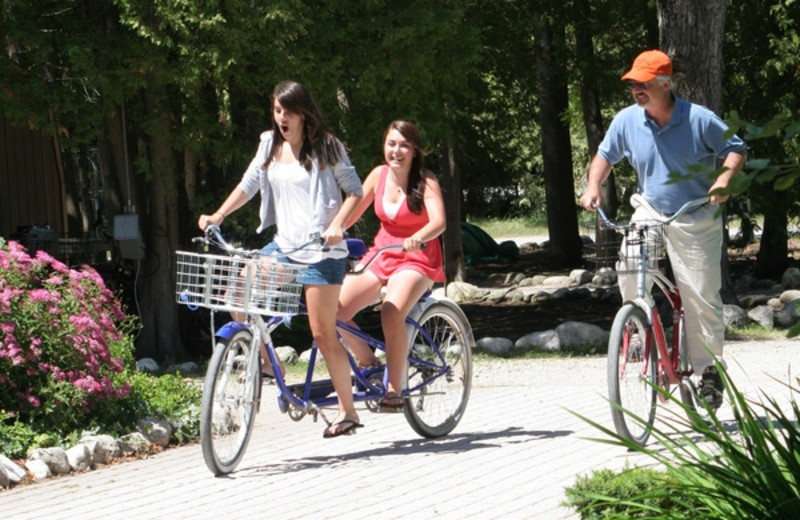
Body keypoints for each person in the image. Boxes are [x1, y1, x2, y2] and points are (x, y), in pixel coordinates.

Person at [579, 50, 746, 409]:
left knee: (701, 297)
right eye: (633, 84)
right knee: (628, 265)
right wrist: (593, 185)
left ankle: (708, 372)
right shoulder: (627, 120)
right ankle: (636, 324)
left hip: (696, 212)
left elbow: (734, 149)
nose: (637, 89)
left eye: (645, 83)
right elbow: (605, 156)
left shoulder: (699, 119)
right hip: (650, 209)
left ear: (666, 83)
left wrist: (724, 179)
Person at [197, 80, 363, 436]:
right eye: (277, 111)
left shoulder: (327, 146)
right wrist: (218, 215)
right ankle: (270, 365)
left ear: (304, 113)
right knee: (237, 295)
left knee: (322, 333)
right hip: (285, 247)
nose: (282, 118)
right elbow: (249, 183)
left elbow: (355, 191)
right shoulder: (269, 145)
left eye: (288, 111)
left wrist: (337, 224)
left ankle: (348, 412)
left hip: (321, 251)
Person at [333, 120, 446, 428]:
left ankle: (394, 389)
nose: (396, 151)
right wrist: (332, 229)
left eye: (404, 146)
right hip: (382, 254)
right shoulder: (377, 176)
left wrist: (420, 235)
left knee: (391, 311)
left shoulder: (426, 180)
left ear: (414, 151)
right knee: (334, 310)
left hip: (416, 257)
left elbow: (439, 222)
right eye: (391, 144)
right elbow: (351, 212)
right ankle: (369, 362)